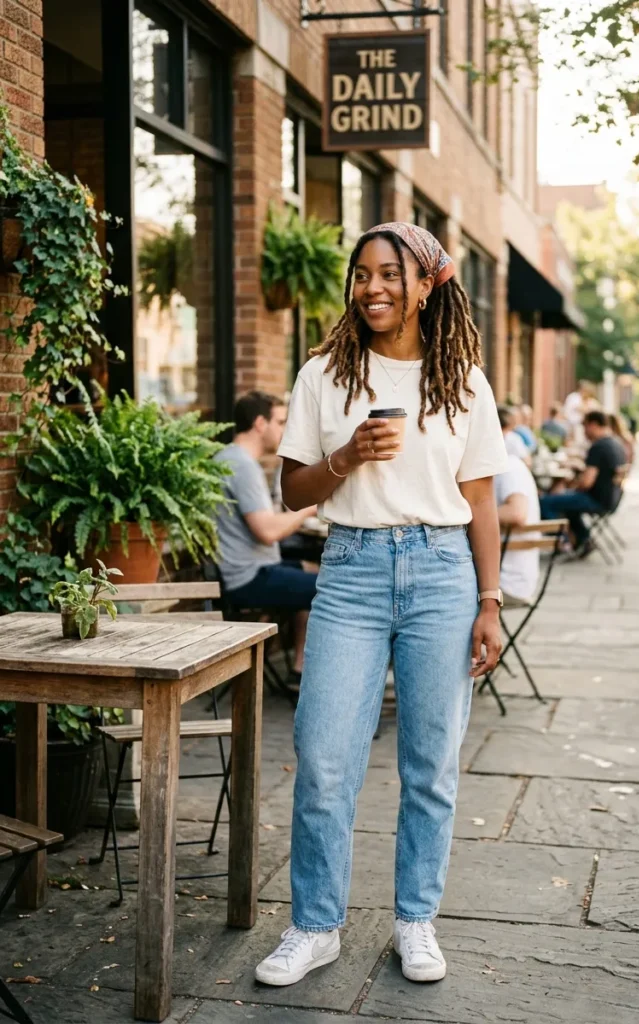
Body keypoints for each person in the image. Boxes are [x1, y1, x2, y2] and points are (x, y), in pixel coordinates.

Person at [254, 222, 508, 988]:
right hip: (352, 571)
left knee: (429, 766)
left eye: (390, 274)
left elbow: (482, 501)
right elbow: (291, 490)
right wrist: (346, 456)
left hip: (440, 572)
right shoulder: (324, 374)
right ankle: (314, 926)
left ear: (426, 284)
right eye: (361, 274)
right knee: (325, 760)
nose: (372, 287)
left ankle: (414, 921)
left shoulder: (461, 380)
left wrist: (489, 602)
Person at [213, 391, 319, 674]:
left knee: (315, 570)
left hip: (252, 567)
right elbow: (268, 532)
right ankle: (322, 672)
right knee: (334, 587)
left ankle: (301, 664)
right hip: (248, 578)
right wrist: (310, 508)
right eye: (281, 422)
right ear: (261, 423)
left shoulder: (230, 458)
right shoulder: (242, 466)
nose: (285, 430)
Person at [538, 410, 626, 555]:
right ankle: (583, 539)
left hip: (596, 500)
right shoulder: (616, 443)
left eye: (585, 426)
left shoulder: (598, 447)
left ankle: (564, 542)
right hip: (611, 500)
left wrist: (571, 487)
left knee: (546, 502)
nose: (584, 430)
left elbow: (586, 483)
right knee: (567, 503)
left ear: (593, 425)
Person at [495, 448, 541, 603]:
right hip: (511, 578)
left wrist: (466, 515)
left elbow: (517, 513)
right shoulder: (509, 465)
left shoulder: (508, 467)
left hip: (507, 582)